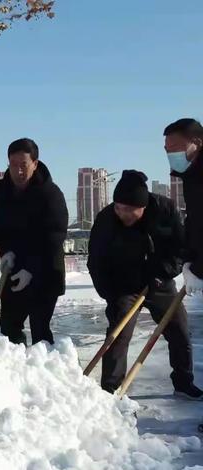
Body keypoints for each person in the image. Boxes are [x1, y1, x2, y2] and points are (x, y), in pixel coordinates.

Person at [87, 170, 202, 398]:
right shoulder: (106, 219)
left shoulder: (165, 210)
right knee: (118, 335)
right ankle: (111, 389)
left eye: (129, 210)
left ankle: (183, 382)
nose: (123, 214)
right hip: (123, 285)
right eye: (119, 207)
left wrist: (165, 272)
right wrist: (109, 293)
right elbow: (96, 261)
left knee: (179, 330)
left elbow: (181, 247)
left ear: (144, 206)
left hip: (159, 280)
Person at [0, 138, 68, 346]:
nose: (18, 171)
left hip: (45, 269)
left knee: (40, 328)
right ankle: (17, 369)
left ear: (35, 163)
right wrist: (5, 251)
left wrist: (31, 268)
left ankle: (45, 370)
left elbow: (54, 237)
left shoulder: (50, 194)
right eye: (13, 165)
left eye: (23, 165)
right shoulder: (1, 190)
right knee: (9, 326)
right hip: (14, 268)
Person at [163, 118, 203, 296]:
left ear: (196, 142)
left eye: (174, 147)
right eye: (167, 149)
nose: (170, 153)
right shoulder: (191, 176)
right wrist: (189, 260)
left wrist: (199, 268)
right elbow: (195, 221)